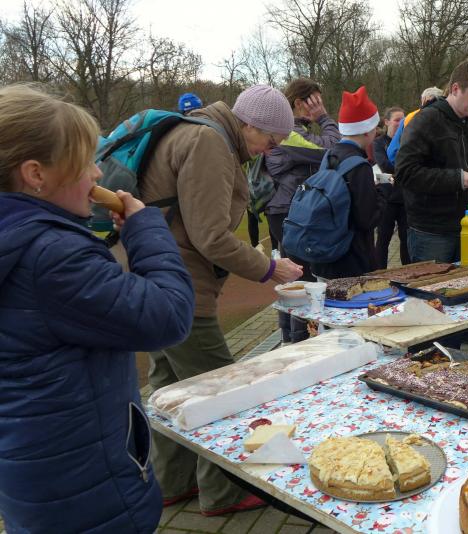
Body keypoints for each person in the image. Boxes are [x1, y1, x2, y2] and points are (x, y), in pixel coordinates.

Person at [0, 85, 194, 533]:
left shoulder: (21, 240)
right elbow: (169, 315)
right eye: (84, 161)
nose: (97, 172)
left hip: (38, 473)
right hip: (87, 487)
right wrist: (146, 229)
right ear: (36, 174)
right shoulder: (51, 256)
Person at [139, 84, 304, 516]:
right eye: (271, 140)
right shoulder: (209, 143)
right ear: (250, 125)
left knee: (169, 388)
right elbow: (210, 236)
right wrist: (270, 268)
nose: (270, 150)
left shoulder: (199, 132)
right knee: (220, 389)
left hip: (155, 280)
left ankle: (170, 481)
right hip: (180, 288)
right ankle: (223, 491)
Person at [395, 59, 468, 264]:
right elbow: (405, 172)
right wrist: (456, 179)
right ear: (455, 89)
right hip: (432, 231)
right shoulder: (425, 121)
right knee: (431, 285)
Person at [265, 77, 340, 344]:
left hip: (287, 209)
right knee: (303, 277)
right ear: (299, 103)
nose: (319, 106)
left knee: (293, 276)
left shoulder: (294, 130)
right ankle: (300, 339)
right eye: (315, 102)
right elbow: (332, 150)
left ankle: (290, 335)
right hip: (289, 211)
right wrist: (325, 118)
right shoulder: (288, 132)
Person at [310, 86, 386, 279]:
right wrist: (382, 192)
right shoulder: (359, 165)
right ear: (367, 131)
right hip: (351, 262)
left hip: (326, 256)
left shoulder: (329, 156)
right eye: (374, 128)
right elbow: (367, 219)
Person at [373, 106, 409, 267]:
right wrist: (405, 170)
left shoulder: (407, 141)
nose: (400, 123)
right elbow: (385, 165)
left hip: (405, 198)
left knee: (406, 240)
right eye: (397, 120)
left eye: (403, 120)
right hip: (386, 199)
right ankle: (379, 274)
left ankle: (408, 273)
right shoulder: (378, 143)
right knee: (383, 239)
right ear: (387, 122)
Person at [386, 86, 443, 166]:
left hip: (410, 165)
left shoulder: (411, 117)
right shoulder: (449, 118)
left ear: (423, 100)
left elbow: (392, 152)